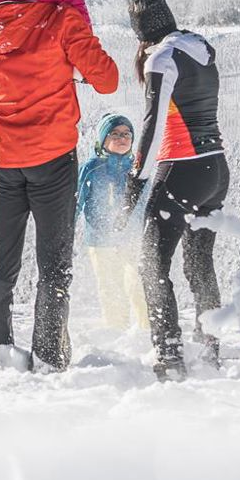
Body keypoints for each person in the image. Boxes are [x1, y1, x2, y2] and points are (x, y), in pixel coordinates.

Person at [0, 0, 118, 371]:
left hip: (4, 160)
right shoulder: (60, 20)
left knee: (1, 257)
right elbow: (107, 80)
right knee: (54, 261)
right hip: (53, 158)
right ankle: (49, 354)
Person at [122, 0, 228, 382]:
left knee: (152, 265)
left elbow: (150, 126)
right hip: (217, 170)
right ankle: (210, 348)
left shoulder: (161, 60)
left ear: (140, 32)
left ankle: (169, 356)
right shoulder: (198, 48)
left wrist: (136, 179)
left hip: (182, 169)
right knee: (200, 264)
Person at [77, 113, 147, 332]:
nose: (122, 138)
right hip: (100, 241)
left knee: (139, 285)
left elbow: (149, 202)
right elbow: (76, 202)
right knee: (110, 289)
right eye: (114, 134)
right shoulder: (92, 167)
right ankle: (117, 333)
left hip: (132, 239)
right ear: (103, 139)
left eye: (127, 134)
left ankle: (147, 332)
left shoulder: (138, 168)